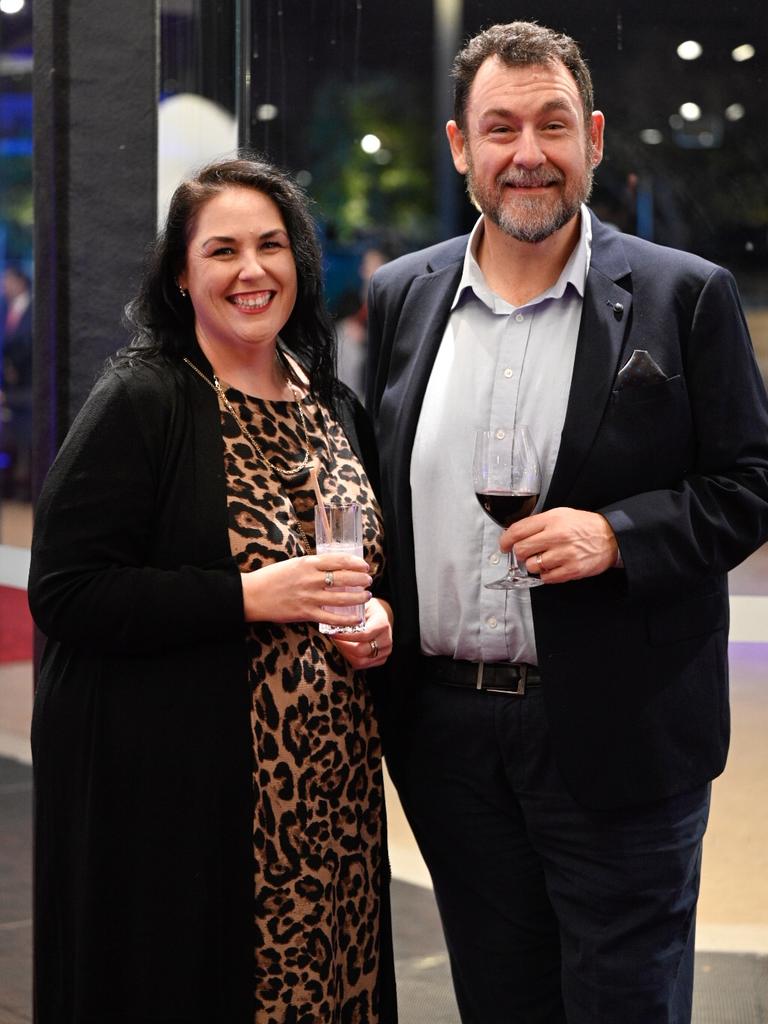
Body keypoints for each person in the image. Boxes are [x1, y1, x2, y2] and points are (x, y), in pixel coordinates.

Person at [366, 21, 768, 1024]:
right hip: (448, 739)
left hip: (621, 733)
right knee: (499, 1002)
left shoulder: (685, 295)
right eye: (499, 129)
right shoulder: (401, 299)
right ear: (461, 148)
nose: (529, 153)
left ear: (591, 137)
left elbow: (752, 482)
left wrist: (619, 536)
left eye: (553, 124)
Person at [29, 157, 396, 1023]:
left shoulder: (334, 407)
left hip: (331, 802)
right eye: (222, 250)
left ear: (300, 263)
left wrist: (378, 620)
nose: (251, 270)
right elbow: (68, 591)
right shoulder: (145, 399)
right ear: (181, 275)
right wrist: (248, 596)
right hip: (190, 804)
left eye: (271, 245)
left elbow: (374, 570)